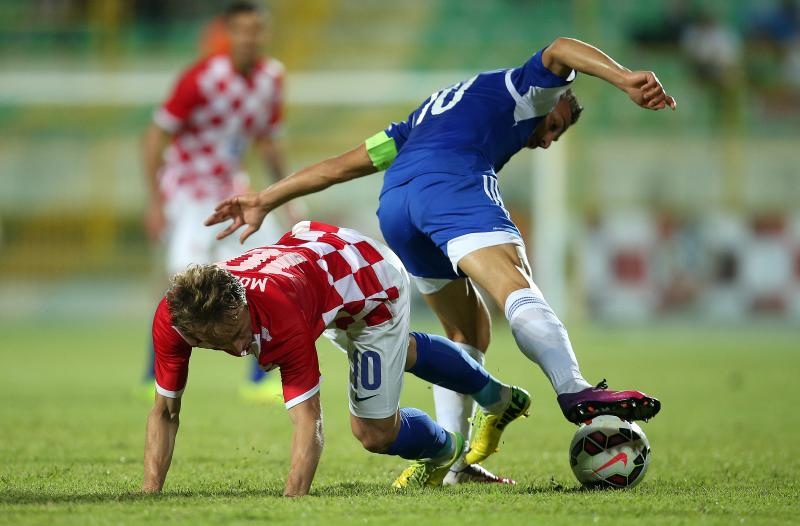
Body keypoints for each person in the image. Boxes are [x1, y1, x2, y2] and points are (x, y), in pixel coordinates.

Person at [205, 37, 668, 482]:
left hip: (398, 205)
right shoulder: (523, 89)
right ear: (556, 102)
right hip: (451, 183)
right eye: (555, 127)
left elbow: (341, 166)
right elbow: (562, 48)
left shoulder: (423, 117)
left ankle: (455, 463)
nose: (548, 139)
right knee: (514, 282)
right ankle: (574, 387)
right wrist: (624, 77)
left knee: (468, 329)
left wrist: (266, 197)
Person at [143, 221, 530, 495]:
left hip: (372, 281)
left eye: (244, 331)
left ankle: (447, 452)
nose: (245, 346)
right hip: (319, 259)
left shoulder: (280, 319)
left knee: (373, 432)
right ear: (192, 334)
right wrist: (150, 495)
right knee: (401, 352)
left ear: (241, 300)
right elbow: (165, 411)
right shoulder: (174, 316)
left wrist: (293, 502)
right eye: (228, 341)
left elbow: (308, 420)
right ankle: (498, 397)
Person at [141, 1, 291, 401]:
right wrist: (154, 202)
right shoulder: (202, 78)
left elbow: (269, 144)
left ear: (265, 32)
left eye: (256, 29)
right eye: (241, 30)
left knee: (267, 267)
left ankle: (260, 378)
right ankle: (152, 376)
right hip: (189, 188)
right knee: (182, 279)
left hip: (231, 189)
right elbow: (155, 136)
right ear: (228, 33)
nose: (249, 37)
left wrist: (287, 197)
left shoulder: (271, 78)